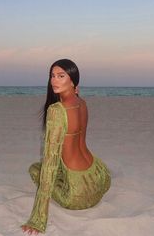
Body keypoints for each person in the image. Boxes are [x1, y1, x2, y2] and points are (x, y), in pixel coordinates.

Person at [22, 59, 111, 234]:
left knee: (34, 169)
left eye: (61, 76)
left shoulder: (56, 110)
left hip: (78, 195)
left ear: (73, 81)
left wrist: (38, 219)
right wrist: (74, 91)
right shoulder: (82, 103)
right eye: (52, 76)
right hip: (99, 177)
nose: (54, 81)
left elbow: (49, 165)